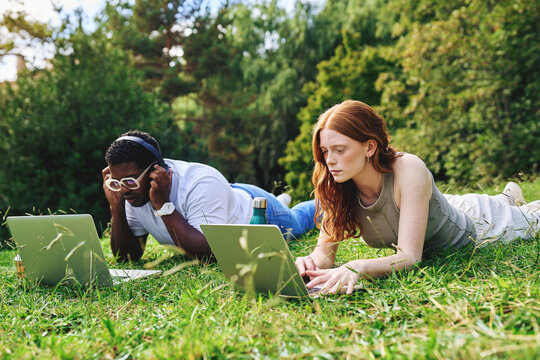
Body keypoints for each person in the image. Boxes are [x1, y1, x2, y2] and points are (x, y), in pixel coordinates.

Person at [295, 100, 540, 295]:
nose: (330, 160)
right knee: (479, 204)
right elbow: (323, 257)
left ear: (369, 147)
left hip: (480, 226)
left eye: (340, 150)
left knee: (531, 220)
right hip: (444, 208)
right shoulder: (338, 186)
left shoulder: (408, 168)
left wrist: (358, 266)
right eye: (325, 151)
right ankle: (507, 197)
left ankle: (507, 203)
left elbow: (410, 257)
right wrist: (308, 264)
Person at [102, 130, 316, 261]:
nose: (122, 190)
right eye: (115, 183)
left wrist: (163, 205)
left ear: (155, 170)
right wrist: (116, 209)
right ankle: (280, 199)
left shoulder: (199, 182)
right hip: (221, 198)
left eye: (129, 181)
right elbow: (127, 257)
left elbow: (208, 253)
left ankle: (323, 203)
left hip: (257, 210)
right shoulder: (131, 191)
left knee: (299, 220)